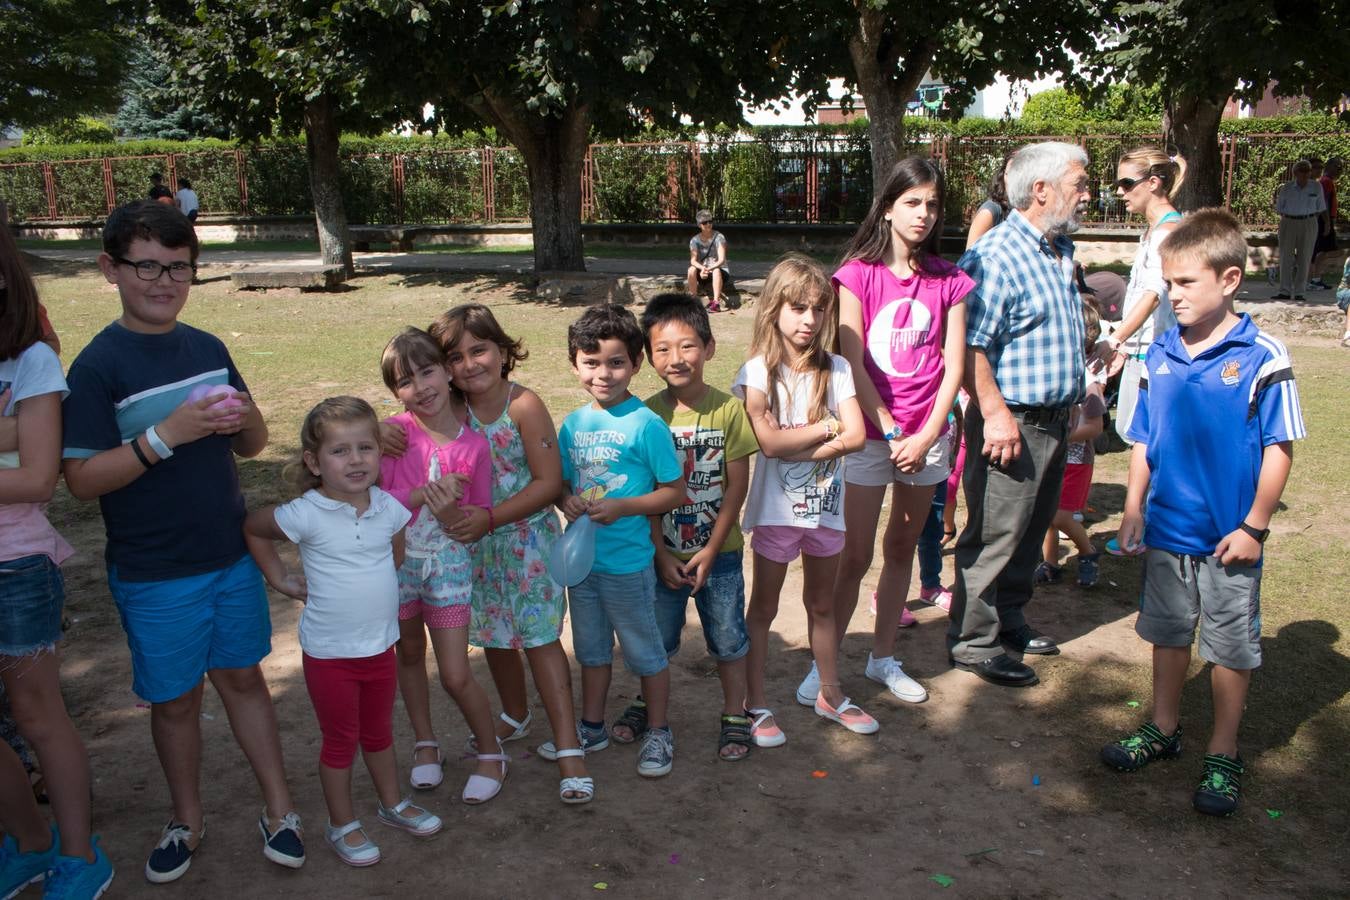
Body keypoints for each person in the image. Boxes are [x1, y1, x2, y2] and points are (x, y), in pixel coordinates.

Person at [60, 200, 304, 883]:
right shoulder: (96, 367)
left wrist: (242, 417)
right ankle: (187, 820)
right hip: (153, 570)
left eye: (178, 268)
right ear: (111, 269)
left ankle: (280, 809)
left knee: (244, 680)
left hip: (227, 557)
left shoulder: (208, 347)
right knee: (174, 702)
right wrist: (167, 435)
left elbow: (253, 443)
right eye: (146, 267)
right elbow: (81, 480)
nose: (163, 281)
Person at [1101, 209, 1306, 817]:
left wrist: (1253, 527)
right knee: (1167, 636)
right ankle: (1163, 729)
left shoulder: (1263, 354)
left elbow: (1280, 447)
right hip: (1167, 531)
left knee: (1229, 648)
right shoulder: (1160, 350)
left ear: (1231, 279)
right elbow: (1144, 437)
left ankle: (1224, 750)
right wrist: (1133, 505)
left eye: (1187, 282)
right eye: (1168, 282)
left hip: (1228, 539)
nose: (1173, 294)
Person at [243, 397, 442, 867]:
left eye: (365, 448)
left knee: (379, 733)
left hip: (380, 646)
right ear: (313, 462)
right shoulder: (305, 513)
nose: (355, 460)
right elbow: (253, 529)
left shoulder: (389, 508)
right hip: (330, 653)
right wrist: (279, 577)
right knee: (340, 740)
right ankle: (341, 823)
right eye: (340, 451)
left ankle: (392, 804)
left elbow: (393, 554)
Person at [426, 304, 593, 805]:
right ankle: (514, 714)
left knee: (540, 640)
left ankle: (568, 747)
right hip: (474, 549)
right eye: (455, 356)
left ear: (503, 350)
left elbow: (547, 483)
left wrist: (492, 518)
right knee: (496, 635)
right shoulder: (448, 411)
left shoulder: (524, 404)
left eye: (479, 350)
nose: (470, 364)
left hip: (527, 544)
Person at [827, 157, 971, 706]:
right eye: (912, 202)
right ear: (888, 208)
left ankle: (882, 658)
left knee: (902, 547)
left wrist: (928, 433)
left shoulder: (951, 281)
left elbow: (953, 366)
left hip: (927, 440)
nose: (924, 214)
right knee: (855, 554)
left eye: (933, 204)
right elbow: (852, 359)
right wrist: (889, 430)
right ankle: (827, 663)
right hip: (869, 436)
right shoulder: (857, 274)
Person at [948, 141, 1091, 688]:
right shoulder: (994, 256)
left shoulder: (1060, 249)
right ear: (1041, 190)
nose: (1086, 193)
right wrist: (995, 414)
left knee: (1030, 532)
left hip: (1054, 418)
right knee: (995, 533)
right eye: (1078, 183)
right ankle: (973, 641)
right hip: (1013, 423)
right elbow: (970, 347)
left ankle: (1008, 618)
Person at [0, 227, 114, 898]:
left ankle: (79, 854)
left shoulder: (30, 362)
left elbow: (40, 477)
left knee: (37, 714)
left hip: (15, 565)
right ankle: (30, 844)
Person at [734, 253, 871, 744]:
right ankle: (753, 701)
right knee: (764, 609)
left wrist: (816, 439)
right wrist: (829, 427)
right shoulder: (757, 371)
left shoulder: (836, 368)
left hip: (826, 513)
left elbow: (857, 434)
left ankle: (829, 692)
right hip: (775, 514)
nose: (809, 320)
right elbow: (769, 443)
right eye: (797, 308)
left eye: (817, 309)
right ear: (774, 309)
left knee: (823, 606)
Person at [376, 328, 505, 805]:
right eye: (405, 381)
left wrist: (450, 510)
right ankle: (425, 743)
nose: (421, 387)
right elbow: (371, 498)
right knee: (407, 656)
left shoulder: (474, 446)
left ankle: (491, 752)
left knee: (454, 674)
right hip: (396, 567)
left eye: (428, 371)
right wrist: (418, 495)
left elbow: (479, 518)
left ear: (448, 372)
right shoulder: (390, 437)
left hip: (448, 569)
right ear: (395, 393)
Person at [556, 304, 684, 777]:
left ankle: (658, 731)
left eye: (615, 362)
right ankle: (591, 726)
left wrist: (623, 507)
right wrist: (567, 501)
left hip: (629, 564)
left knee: (645, 651)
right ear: (575, 364)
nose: (603, 373)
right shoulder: (572, 424)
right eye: (591, 362)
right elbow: (564, 485)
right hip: (582, 564)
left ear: (635, 364)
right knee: (590, 651)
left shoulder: (647, 424)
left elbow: (674, 491)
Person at [639, 293, 760, 758]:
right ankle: (649, 709)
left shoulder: (728, 411)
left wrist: (710, 549)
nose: (676, 358)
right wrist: (659, 551)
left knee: (729, 638)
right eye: (662, 349)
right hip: (661, 555)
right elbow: (645, 490)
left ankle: (735, 711)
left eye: (687, 346)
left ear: (709, 348)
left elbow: (736, 487)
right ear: (649, 356)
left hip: (721, 553)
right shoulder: (646, 415)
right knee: (656, 642)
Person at [1094, 147, 1183, 443]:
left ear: (1153, 183)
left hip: (1156, 349)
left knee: (1144, 435)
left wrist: (1116, 339)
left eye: (1127, 183)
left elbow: (1153, 294)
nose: (1120, 191)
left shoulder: (1165, 233)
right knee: (1135, 432)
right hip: (1142, 347)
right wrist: (1125, 346)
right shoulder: (1154, 230)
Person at [1038, 297, 1106, 587]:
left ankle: (1088, 552)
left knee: (1061, 515)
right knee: (1045, 516)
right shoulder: (1052, 375)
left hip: (1076, 461)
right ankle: (1049, 563)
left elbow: (1095, 426)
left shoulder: (1087, 384)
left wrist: (1061, 436)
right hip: (1051, 456)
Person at [1272, 160, 1325, 300]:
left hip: (1308, 221)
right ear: (1295, 173)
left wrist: (1324, 224)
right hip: (1289, 221)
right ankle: (1284, 290)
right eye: (1301, 170)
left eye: (1307, 170)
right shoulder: (1287, 188)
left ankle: (1300, 292)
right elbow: (1279, 208)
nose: (1305, 173)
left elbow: (1321, 208)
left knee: (1305, 257)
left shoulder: (1316, 187)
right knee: (1285, 257)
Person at [965, 152, 1015, 248]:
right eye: (1009, 173)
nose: (1012, 179)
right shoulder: (990, 211)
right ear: (1003, 174)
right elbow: (970, 256)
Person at [687, 210, 729, 312]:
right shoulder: (694, 240)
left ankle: (716, 303)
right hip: (703, 270)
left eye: (710, 221)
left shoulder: (719, 237)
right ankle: (693, 301)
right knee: (691, 270)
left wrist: (709, 269)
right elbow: (693, 260)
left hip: (718, 270)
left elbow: (721, 259)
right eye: (705, 222)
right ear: (699, 225)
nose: (708, 224)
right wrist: (702, 269)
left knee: (716, 271)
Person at [1310, 157, 1342, 290]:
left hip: (1325, 219)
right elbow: (1324, 203)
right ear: (1329, 167)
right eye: (1337, 167)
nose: (1340, 170)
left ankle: (1315, 278)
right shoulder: (1326, 181)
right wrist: (1328, 222)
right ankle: (1314, 278)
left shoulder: (1326, 181)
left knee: (1322, 251)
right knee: (1320, 251)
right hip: (1324, 220)